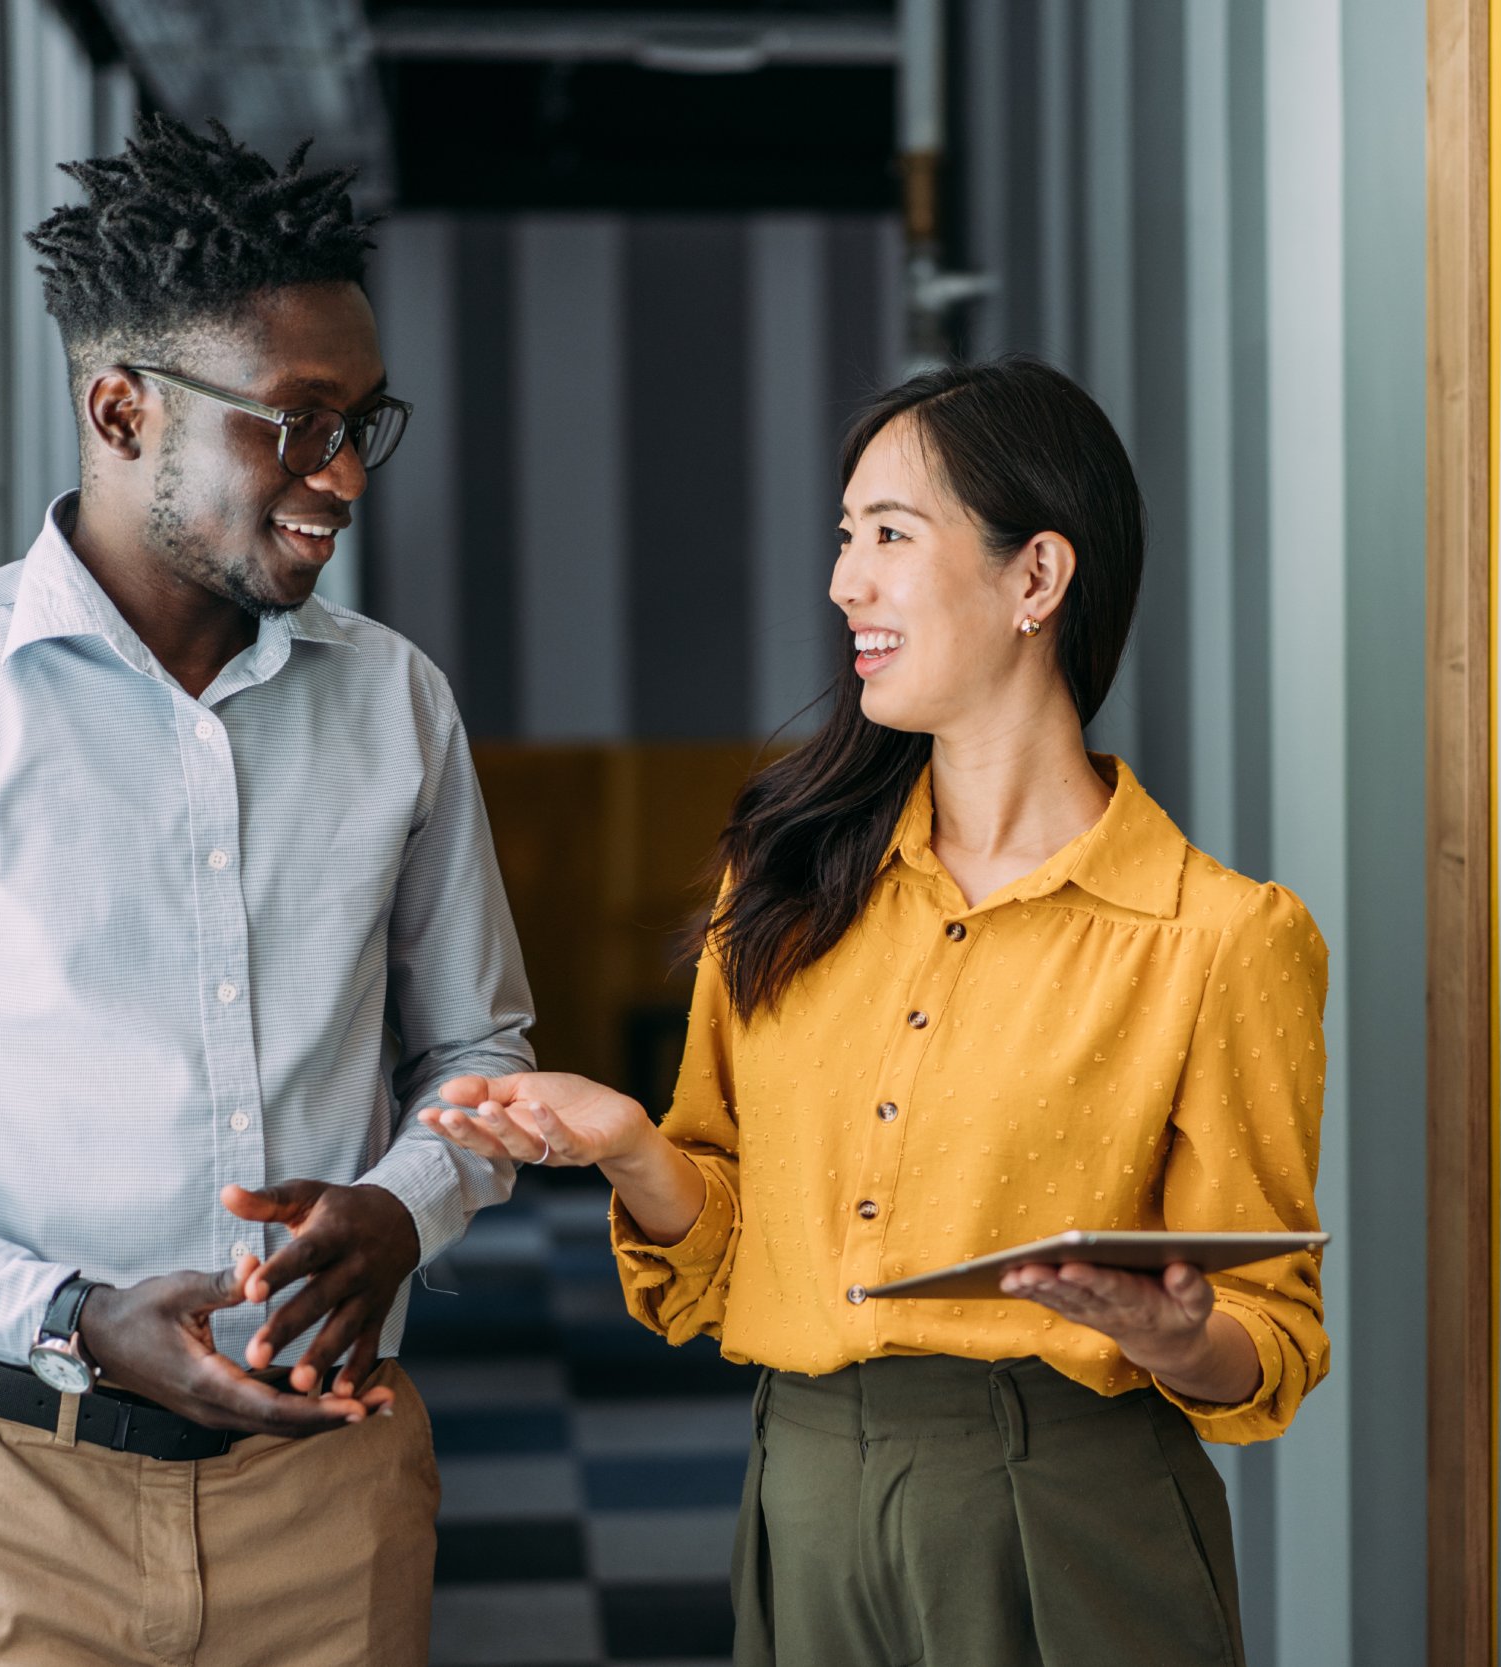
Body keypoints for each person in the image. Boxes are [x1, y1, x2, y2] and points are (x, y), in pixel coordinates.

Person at [0, 116, 533, 1666]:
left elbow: (481, 1056)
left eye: (365, 423)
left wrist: (403, 1209)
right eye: (298, 423)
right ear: (123, 410)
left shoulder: (395, 703)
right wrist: (66, 1314)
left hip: (330, 1498)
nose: (344, 475)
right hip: (4, 1509)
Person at [425, 355, 1329, 1667]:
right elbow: (719, 1257)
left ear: (1037, 578)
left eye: (890, 536)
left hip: (1069, 1512)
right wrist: (631, 1147)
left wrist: (1180, 1338)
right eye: (846, 538)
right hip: (804, 1492)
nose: (846, 581)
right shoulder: (782, 875)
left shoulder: (1223, 939)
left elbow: (1273, 1336)